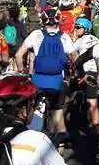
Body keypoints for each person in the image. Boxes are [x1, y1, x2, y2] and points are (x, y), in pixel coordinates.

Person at [14, 8, 76, 137]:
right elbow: (74, 57)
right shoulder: (64, 37)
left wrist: (22, 71)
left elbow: (18, 55)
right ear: (58, 20)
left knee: (28, 112)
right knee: (58, 115)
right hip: (57, 81)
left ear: (43, 21)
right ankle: (60, 150)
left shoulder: (36, 34)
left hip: (37, 81)